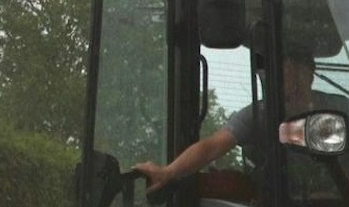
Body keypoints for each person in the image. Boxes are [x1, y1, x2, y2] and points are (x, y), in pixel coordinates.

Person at [133, 50, 320, 191]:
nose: (294, 82)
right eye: (287, 74)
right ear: (276, 78)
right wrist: (168, 172)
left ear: (311, 76)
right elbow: (212, 146)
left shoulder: (341, 108)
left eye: (299, 74)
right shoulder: (259, 114)